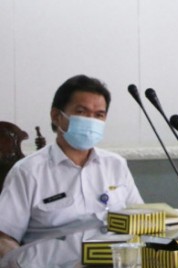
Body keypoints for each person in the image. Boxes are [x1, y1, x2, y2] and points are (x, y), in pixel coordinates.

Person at [0, 75, 143, 257]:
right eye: (81, 112)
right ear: (56, 116)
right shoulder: (28, 172)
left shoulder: (116, 165)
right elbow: (4, 237)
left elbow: (141, 220)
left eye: (99, 115)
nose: (91, 121)